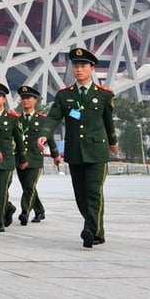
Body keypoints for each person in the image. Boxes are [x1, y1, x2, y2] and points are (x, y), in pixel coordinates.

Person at [37, 48, 118, 248]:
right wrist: (44, 135)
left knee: (94, 192)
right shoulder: (65, 95)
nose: (79, 69)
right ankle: (97, 230)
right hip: (75, 151)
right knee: (81, 194)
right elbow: (54, 116)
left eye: (83, 66)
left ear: (92, 68)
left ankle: (91, 230)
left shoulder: (104, 95)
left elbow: (108, 121)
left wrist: (113, 142)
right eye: (76, 66)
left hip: (97, 151)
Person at [0, 82, 27, 232]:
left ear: (4, 99)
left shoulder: (12, 118)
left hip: (7, 160)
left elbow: (19, 140)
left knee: (1, 190)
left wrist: (23, 159)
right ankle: (9, 207)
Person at [15, 85, 61, 225]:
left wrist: (55, 155)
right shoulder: (16, 119)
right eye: (23, 98)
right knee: (27, 187)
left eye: (28, 98)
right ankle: (40, 210)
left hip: (35, 158)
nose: (25, 101)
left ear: (35, 100)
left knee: (29, 186)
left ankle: (24, 212)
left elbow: (50, 138)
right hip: (20, 158)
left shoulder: (42, 119)